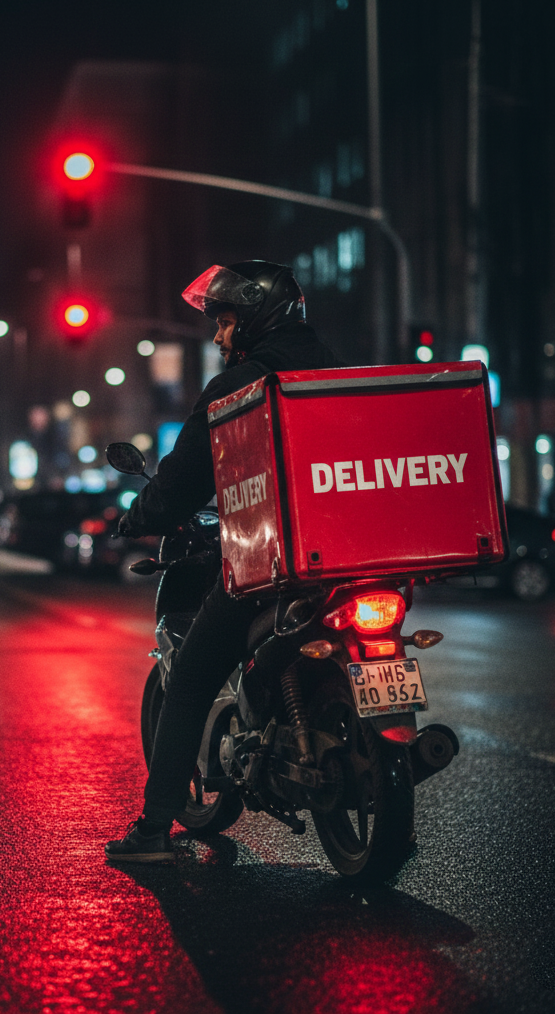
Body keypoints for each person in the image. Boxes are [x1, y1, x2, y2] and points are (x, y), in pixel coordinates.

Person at [105, 260, 341, 863]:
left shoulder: (239, 388)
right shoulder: (338, 378)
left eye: (226, 323)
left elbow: (181, 484)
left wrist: (137, 517)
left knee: (187, 683)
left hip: (271, 566)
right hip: (346, 563)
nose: (218, 337)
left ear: (256, 320)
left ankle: (154, 831)